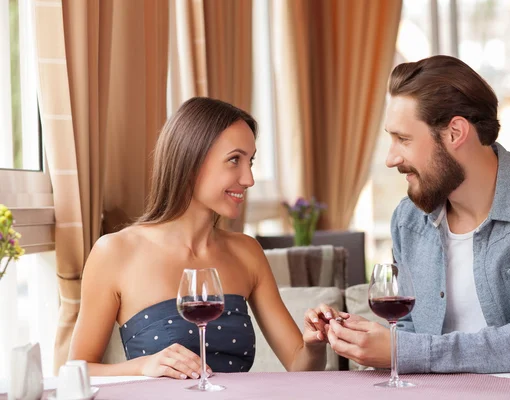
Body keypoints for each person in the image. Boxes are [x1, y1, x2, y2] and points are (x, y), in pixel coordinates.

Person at [326, 55, 510, 373]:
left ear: (455, 133)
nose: (390, 158)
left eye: (403, 139)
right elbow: (410, 335)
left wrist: (407, 351)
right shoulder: (408, 219)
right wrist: (354, 334)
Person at [69, 97, 340, 379]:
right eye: (234, 160)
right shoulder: (115, 252)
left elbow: (299, 365)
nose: (248, 179)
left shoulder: (246, 251)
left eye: (251, 161)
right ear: (191, 161)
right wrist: (143, 367)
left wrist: (313, 344)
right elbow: (76, 371)